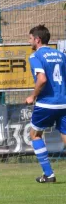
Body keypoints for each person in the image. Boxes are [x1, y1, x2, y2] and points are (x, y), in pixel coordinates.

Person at [25, 24, 66, 183]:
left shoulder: (35, 56)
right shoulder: (60, 55)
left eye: (30, 39)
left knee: (35, 134)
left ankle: (48, 174)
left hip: (47, 103)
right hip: (64, 102)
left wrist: (32, 96)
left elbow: (42, 79)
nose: (29, 42)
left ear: (37, 39)